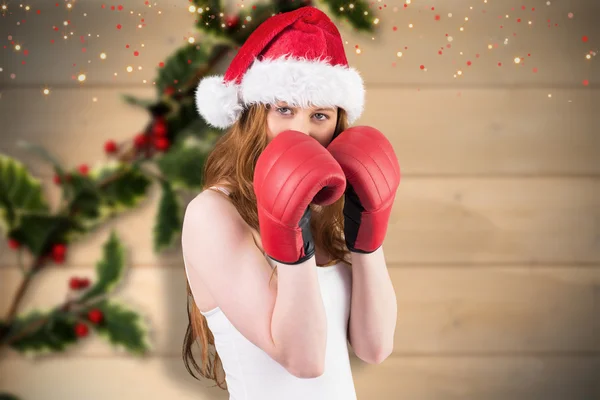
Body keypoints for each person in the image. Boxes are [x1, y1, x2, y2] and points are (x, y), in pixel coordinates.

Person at [180, 6, 400, 399]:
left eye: (320, 115)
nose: (301, 130)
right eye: (284, 109)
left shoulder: (324, 210)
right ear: (253, 115)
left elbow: (375, 346)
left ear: (338, 124)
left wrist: (369, 231)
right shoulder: (212, 214)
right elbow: (304, 359)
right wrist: (289, 226)